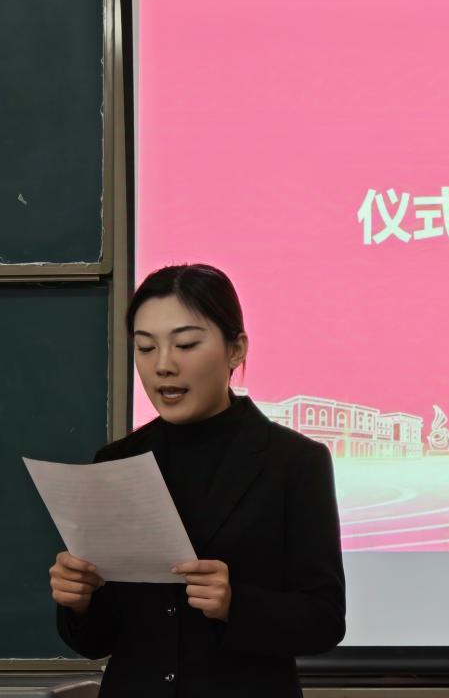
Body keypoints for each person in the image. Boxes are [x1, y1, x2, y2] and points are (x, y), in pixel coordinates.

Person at [49, 264, 345, 697]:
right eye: (145, 347)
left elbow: (325, 620)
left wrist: (235, 604)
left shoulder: (294, 462)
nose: (163, 365)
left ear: (236, 349)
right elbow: (97, 641)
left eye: (186, 344)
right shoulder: (116, 462)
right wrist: (79, 601)